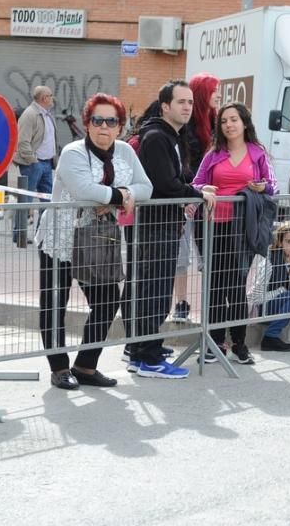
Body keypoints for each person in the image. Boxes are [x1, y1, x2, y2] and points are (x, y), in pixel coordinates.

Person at [35, 94, 152, 390]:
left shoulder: (126, 151)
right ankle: (59, 368)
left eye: (111, 121)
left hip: (98, 239)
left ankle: (86, 365)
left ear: (120, 126)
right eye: (97, 120)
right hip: (60, 241)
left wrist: (121, 193)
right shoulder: (73, 152)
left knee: (108, 300)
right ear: (87, 124)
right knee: (54, 305)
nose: (104, 127)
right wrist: (120, 197)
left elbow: (146, 187)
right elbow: (82, 189)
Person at [126, 80, 204, 378]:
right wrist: (196, 193)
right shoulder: (157, 137)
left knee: (155, 292)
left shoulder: (170, 136)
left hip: (165, 225)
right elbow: (166, 184)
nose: (187, 107)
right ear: (165, 106)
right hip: (157, 225)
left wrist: (192, 188)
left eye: (190, 102)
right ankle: (147, 358)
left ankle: (143, 352)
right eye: (181, 102)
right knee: (154, 294)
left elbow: (176, 178)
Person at [193, 102, 277, 365]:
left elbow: (273, 186)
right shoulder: (213, 154)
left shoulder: (257, 153)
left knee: (236, 284)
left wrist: (262, 187)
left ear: (244, 123)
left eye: (234, 120)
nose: (229, 125)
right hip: (213, 225)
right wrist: (206, 187)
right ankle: (215, 343)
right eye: (224, 121)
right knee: (216, 284)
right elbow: (196, 183)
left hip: (242, 227)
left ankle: (240, 344)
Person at [170, 73, 221, 323]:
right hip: (187, 198)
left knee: (208, 255)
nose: (219, 95)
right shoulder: (187, 127)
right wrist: (191, 192)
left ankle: (210, 307)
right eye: (214, 90)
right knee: (182, 253)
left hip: (208, 200)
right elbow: (185, 165)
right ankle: (180, 302)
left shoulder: (216, 122)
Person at [249, 221, 290, 351]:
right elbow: (255, 298)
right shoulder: (270, 262)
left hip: (285, 304)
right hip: (264, 309)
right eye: (289, 241)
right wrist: (280, 291)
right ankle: (270, 337)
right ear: (280, 243)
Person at [12, 86, 57, 243]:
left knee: (48, 201)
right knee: (26, 201)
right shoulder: (30, 115)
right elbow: (22, 142)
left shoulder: (46, 115)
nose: (53, 98)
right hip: (33, 164)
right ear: (44, 98)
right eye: (51, 96)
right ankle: (19, 235)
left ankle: (41, 235)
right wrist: (34, 161)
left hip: (46, 164)